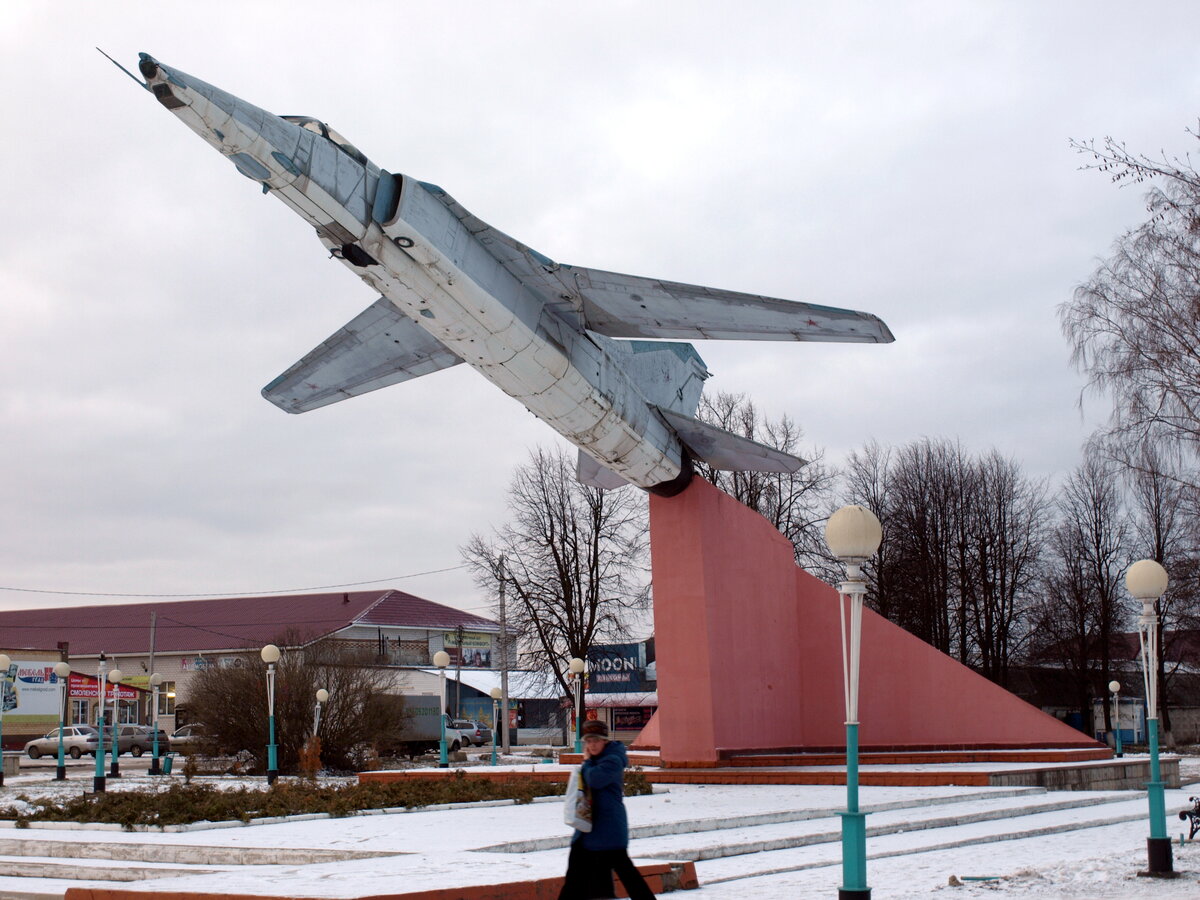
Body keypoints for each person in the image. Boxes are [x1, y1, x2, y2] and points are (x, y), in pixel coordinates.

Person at [558, 719, 656, 899]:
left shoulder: (612, 760)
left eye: (596, 741)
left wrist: (587, 763)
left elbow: (595, 779)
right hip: (591, 828)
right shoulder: (598, 760)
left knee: (627, 876)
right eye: (588, 741)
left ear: (605, 740)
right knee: (580, 880)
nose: (592, 745)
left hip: (608, 828)